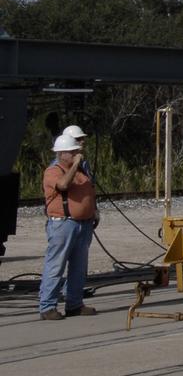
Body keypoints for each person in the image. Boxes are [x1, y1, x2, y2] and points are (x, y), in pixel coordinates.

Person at [39, 134, 99, 320]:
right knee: (55, 266)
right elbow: (63, 185)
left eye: (76, 151)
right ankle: (47, 307)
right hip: (63, 224)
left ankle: (74, 304)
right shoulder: (53, 171)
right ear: (61, 153)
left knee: (79, 267)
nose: (76, 154)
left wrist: (93, 212)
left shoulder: (81, 170)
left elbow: (90, 191)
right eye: (72, 151)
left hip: (83, 224)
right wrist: (75, 165)